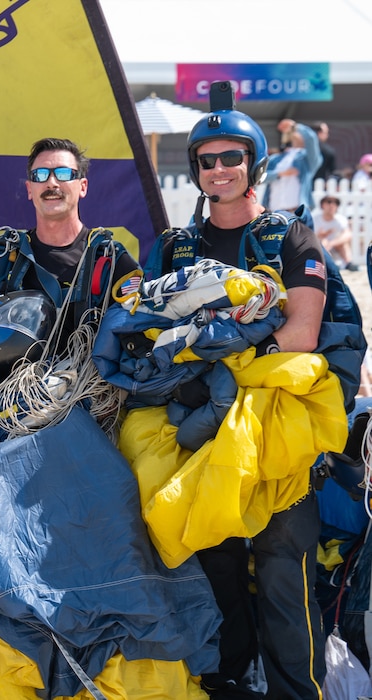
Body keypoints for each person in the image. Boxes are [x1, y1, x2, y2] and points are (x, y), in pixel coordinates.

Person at [184, 99, 329, 699]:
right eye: (207, 160)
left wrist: (218, 356)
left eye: (231, 158)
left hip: (276, 441)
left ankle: (300, 691)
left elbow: (302, 333)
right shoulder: (175, 249)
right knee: (212, 574)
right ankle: (226, 684)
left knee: (281, 573)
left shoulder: (290, 236)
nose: (219, 169)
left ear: (255, 163)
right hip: (201, 438)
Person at [0, 137, 139, 330]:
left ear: (83, 186)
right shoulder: (0, 257)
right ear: (30, 189)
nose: (51, 183)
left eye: (63, 174)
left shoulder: (112, 262)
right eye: (40, 175)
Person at [264, 119, 320, 213]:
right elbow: (261, 177)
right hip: (273, 210)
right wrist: (279, 174)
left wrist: (295, 126)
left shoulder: (307, 159)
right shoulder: (276, 158)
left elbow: (311, 139)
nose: (295, 134)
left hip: (296, 211)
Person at [314, 194, 357, 270]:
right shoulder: (315, 219)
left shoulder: (341, 219)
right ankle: (329, 264)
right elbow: (309, 237)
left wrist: (332, 243)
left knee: (343, 244)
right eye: (329, 202)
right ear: (322, 205)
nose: (332, 205)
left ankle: (349, 263)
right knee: (323, 242)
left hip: (336, 245)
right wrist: (320, 235)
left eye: (336, 203)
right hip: (321, 246)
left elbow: (348, 235)